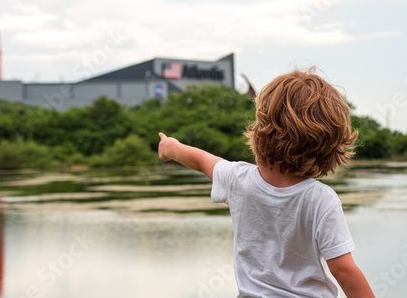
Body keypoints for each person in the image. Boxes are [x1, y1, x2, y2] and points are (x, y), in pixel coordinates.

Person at [158, 68, 375, 298]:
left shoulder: (237, 179)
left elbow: (201, 160)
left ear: (261, 128)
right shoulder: (321, 199)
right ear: (331, 147)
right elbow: (343, 269)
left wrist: (171, 148)